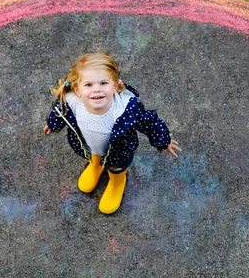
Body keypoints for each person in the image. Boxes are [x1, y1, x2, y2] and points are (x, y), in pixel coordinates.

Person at [43, 52, 181, 214]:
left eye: (103, 83)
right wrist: (53, 124)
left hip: (118, 152)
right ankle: (96, 165)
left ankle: (117, 181)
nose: (97, 90)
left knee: (116, 166)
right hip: (88, 145)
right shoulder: (72, 101)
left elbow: (150, 122)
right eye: (88, 85)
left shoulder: (125, 108)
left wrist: (163, 141)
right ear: (77, 89)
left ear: (115, 86)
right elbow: (61, 110)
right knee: (93, 154)